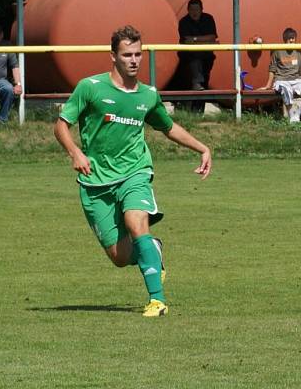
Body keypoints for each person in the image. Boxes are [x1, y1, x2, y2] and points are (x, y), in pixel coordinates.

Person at [54, 25, 212, 317]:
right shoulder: (90, 88)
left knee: (136, 221)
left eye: (138, 54)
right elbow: (61, 125)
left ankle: (157, 299)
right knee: (120, 256)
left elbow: (168, 127)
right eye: (127, 54)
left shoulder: (148, 95)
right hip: (95, 181)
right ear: (113, 56)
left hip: (135, 172)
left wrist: (202, 148)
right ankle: (153, 249)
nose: (134, 60)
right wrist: (75, 152)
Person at [259, 27, 301, 123]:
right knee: (287, 90)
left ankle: (297, 113)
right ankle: (292, 115)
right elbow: (272, 69)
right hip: (282, 80)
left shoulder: (298, 51)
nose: (292, 40)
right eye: (290, 38)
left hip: (297, 80)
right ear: (285, 39)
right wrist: (268, 85)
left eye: (293, 38)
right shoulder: (277, 51)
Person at [178, 0, 218, 112]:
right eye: (192, 9)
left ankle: (198, 112)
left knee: (203, 82)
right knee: (195, 78)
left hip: (207, 57)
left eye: (197, 9)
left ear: (201, 9)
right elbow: (186, 40)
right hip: (189, 58)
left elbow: (212, 37)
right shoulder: (183, 22)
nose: (194, 12)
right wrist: (206, 40)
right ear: (188, 10)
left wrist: (195, 39)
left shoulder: (208, 19)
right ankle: (192, 110)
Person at [0, 23, 22, 123]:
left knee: (8, 89)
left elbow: (15, 66)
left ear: (1, 34)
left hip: (1, 80)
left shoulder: (7, 46)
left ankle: (2, 119)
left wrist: (18, 84)